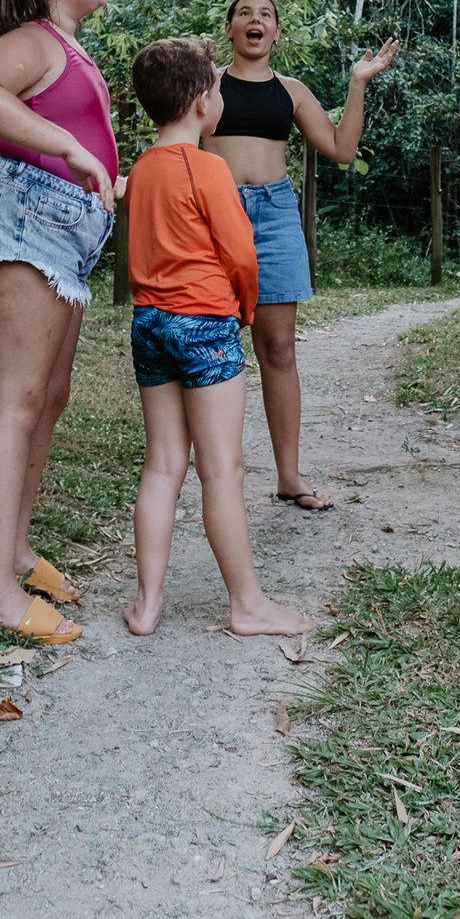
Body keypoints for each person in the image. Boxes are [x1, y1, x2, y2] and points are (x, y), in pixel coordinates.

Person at [0, 0, 116, 641]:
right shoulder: (31, 41)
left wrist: (107, 175)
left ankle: (14, 552)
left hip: (64, 226)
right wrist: (70, 147)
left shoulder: (66, 46)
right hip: (25, 221)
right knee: (13, 404)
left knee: (47, 398)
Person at [121, 38, 312, 638]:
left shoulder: (141, 171)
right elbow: (241, 255)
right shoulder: (210, 168)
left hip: (149, 323)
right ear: (205, 102)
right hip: (205, 323)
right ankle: (248, 604)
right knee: (222, 468)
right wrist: (245, 309)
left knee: (162, 464)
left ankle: (147, 604)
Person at [204, 0, 397, 512]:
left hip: (274, 218)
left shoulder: (290, 92)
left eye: (265, 14)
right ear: (229, 29)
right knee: (212, 346)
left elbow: (340, 149)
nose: (255, 19)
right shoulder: (207, 85)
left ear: (276, 33)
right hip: (214, 217)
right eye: (244, 12)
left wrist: (357, 84)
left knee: (278, 350)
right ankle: (214, 473)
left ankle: (289, 476)